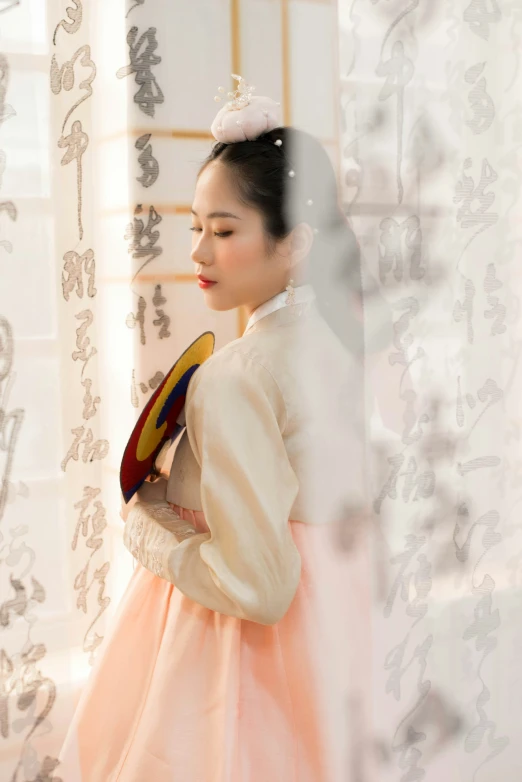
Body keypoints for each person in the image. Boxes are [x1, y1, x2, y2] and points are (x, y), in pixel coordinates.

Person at [58, 76, 371, 782]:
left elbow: (259, 586)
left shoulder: (237, 375)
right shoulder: (336, 341)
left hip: (235, 656)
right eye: (194, 227)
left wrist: (147, 524)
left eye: (224, 231)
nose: (198, 252)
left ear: (294, 243)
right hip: (330, 639)